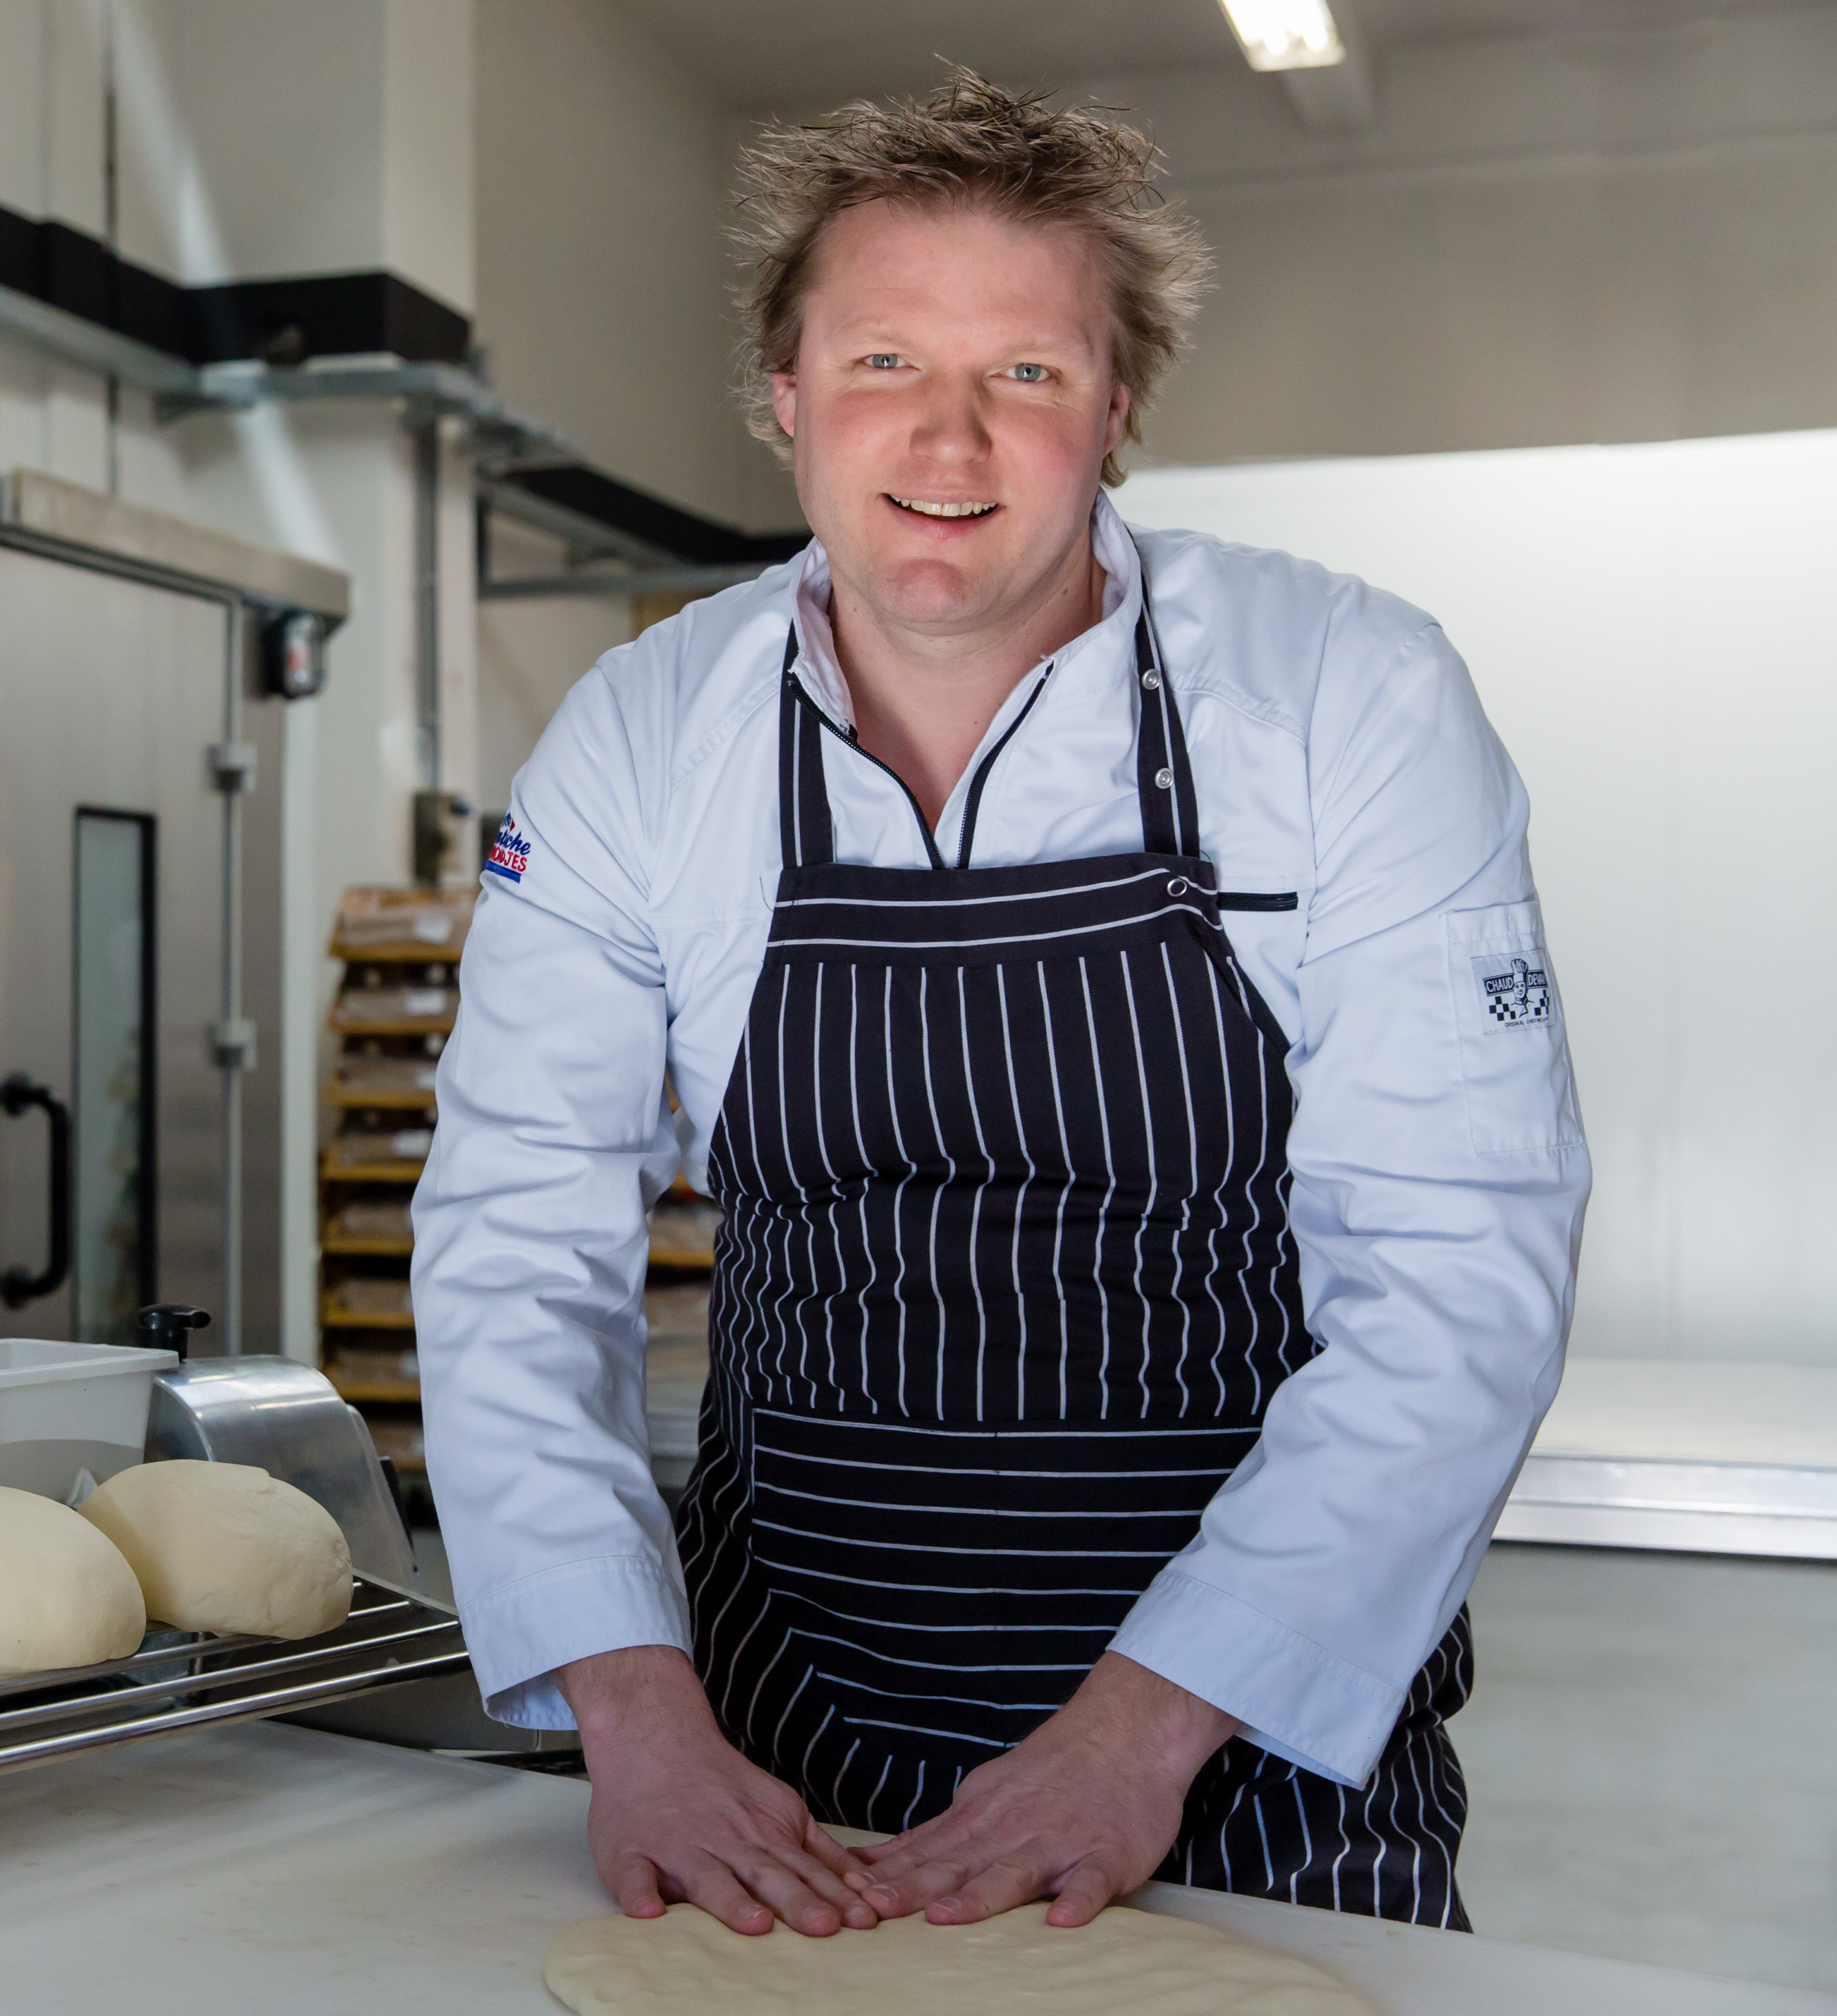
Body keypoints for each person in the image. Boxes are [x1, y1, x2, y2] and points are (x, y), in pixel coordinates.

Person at [412, 71, 1587, 1942]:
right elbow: (512, 1245)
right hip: (774, 1774)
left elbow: (1456, 1266)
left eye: (1025, 372)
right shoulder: (643, 736)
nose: (945, 435)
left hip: (1248, 1764)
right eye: (880, 360)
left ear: (1116, 409)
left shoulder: (1339, 696)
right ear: (784, 395)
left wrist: (1138, 1732)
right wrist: (632, 1714)